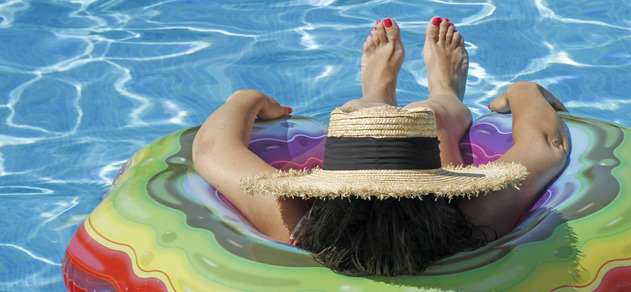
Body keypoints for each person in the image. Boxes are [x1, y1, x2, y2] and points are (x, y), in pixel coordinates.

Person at [193, 17, 569, 276]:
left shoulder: (295, 222)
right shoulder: (473, 221)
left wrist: (247, 98)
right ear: (437, 189)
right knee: (431, 118)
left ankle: (374, 93)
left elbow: (211, 149)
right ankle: (444, 92)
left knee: (360, 113)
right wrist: (524, 90)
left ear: (326, 188)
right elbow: (546, 144)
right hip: (440, 193)